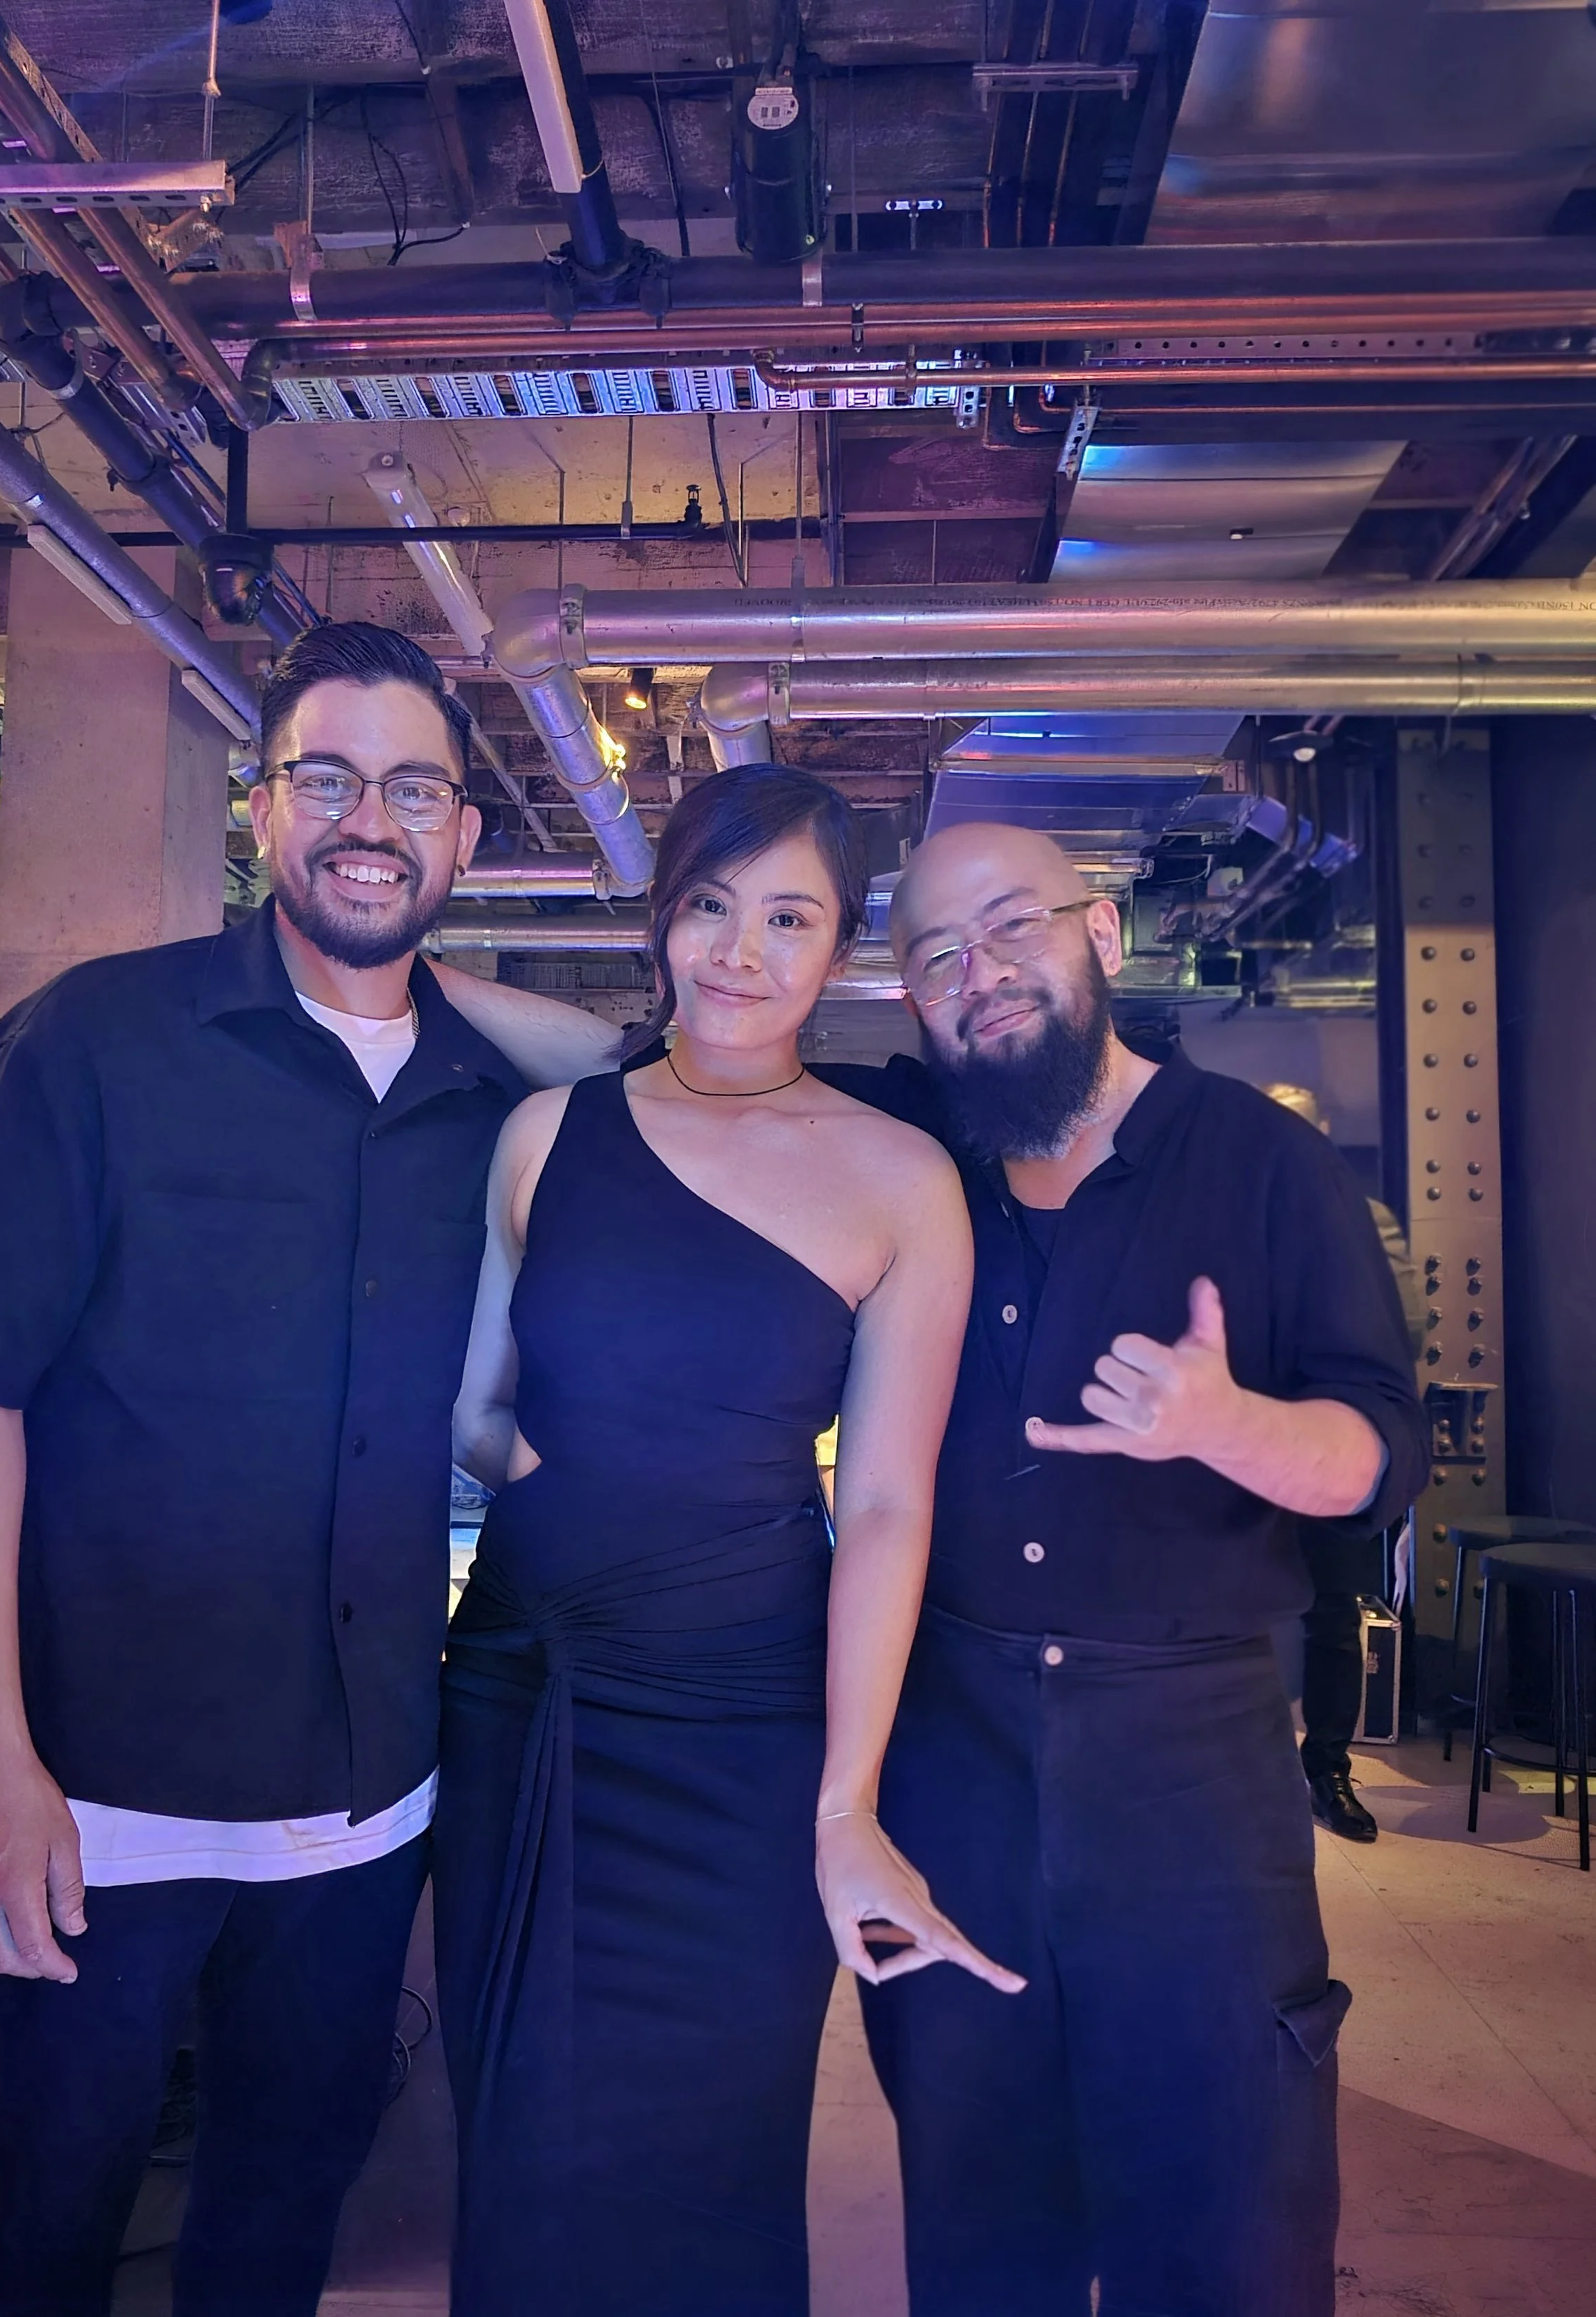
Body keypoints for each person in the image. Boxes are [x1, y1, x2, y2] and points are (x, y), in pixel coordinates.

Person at [0, 621, 621, 2317]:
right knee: (37, 2247)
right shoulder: (95, 1046)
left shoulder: (481, 1099)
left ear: (466, 836)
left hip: (360, 1817)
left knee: (278, 2235)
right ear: (260, 810)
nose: (372, 822)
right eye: (329, 782)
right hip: (91, 1803)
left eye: (414, 790)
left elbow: (652, 1063)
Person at [814, 821, 1431, 2317]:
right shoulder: (911, 1156)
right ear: (910, 1001)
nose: (981, 973)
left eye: (1011, 926)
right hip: (952, 1762)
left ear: (1102, 936)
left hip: (1191, 1773)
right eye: (937, 956)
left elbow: (1378, 1452)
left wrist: (1229, 1427)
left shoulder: (1260, 1159)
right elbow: (682, 1032)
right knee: (977, 2214)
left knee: (1226, 2215)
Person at [435, 765, 1023, 2317]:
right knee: (519, 2137)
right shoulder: (550, 1134)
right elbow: (474, 1409)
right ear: (661, 920)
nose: (739, 952)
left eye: (787, 917)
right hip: (522, 1685)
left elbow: (887, 1500)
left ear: (841, 950)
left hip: (743, 1723)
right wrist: (562, 1471)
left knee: (712, 2149)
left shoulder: (903, 1180)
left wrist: (847, 1803)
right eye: (708, 906)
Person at [1264, 1082, 1429, 1844]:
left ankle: (1326, 1769)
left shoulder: (1368, 1219)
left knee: (1333, 1618)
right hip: (1246, 1452)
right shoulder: (1232, 1218)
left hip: (1330, 1447)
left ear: (1322, 1136)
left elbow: (1404, 1329)